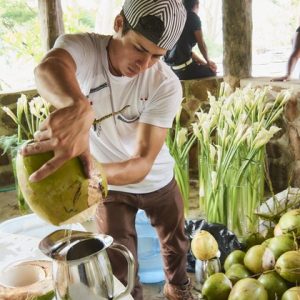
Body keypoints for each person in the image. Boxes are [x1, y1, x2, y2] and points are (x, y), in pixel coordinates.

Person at [21, 0, 196, 299]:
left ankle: (178, 289)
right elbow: (49, 68)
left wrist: (92, 173)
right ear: (118, 24)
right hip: (107, 188)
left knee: (176, 243)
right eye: (139, 49)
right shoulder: (86, 49)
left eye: (156, 56)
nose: (144, 66)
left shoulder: (166, 83)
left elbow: (142, 161)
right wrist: (77, 105)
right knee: (118, 255)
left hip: (155, 179)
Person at [164, 0, 217, 80]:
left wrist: (204, 63)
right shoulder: (193, 17)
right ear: (197, 5)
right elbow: (201, 44)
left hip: (172, 70)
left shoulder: (175, 16)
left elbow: (184, 50)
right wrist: (208, 62)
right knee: (212, 72)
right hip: (185, 71)